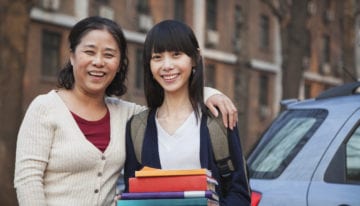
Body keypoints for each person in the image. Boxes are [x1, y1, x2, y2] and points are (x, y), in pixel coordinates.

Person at [14, 16, 238, 206]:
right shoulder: (45, 108)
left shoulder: (128, 115)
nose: (98, 62)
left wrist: (208, 93)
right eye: (89, 52)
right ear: (72, 56)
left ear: (120, 63)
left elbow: (173, 106)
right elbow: (28, 180)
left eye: (109, 55)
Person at [123, 20, 251, 205]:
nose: (167, 65)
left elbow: (240, 192)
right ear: (149, 66)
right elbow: (133, 192)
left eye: (176, 55)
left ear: (194, 59)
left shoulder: (218, 119)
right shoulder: (137, 128)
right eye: (157, 57)